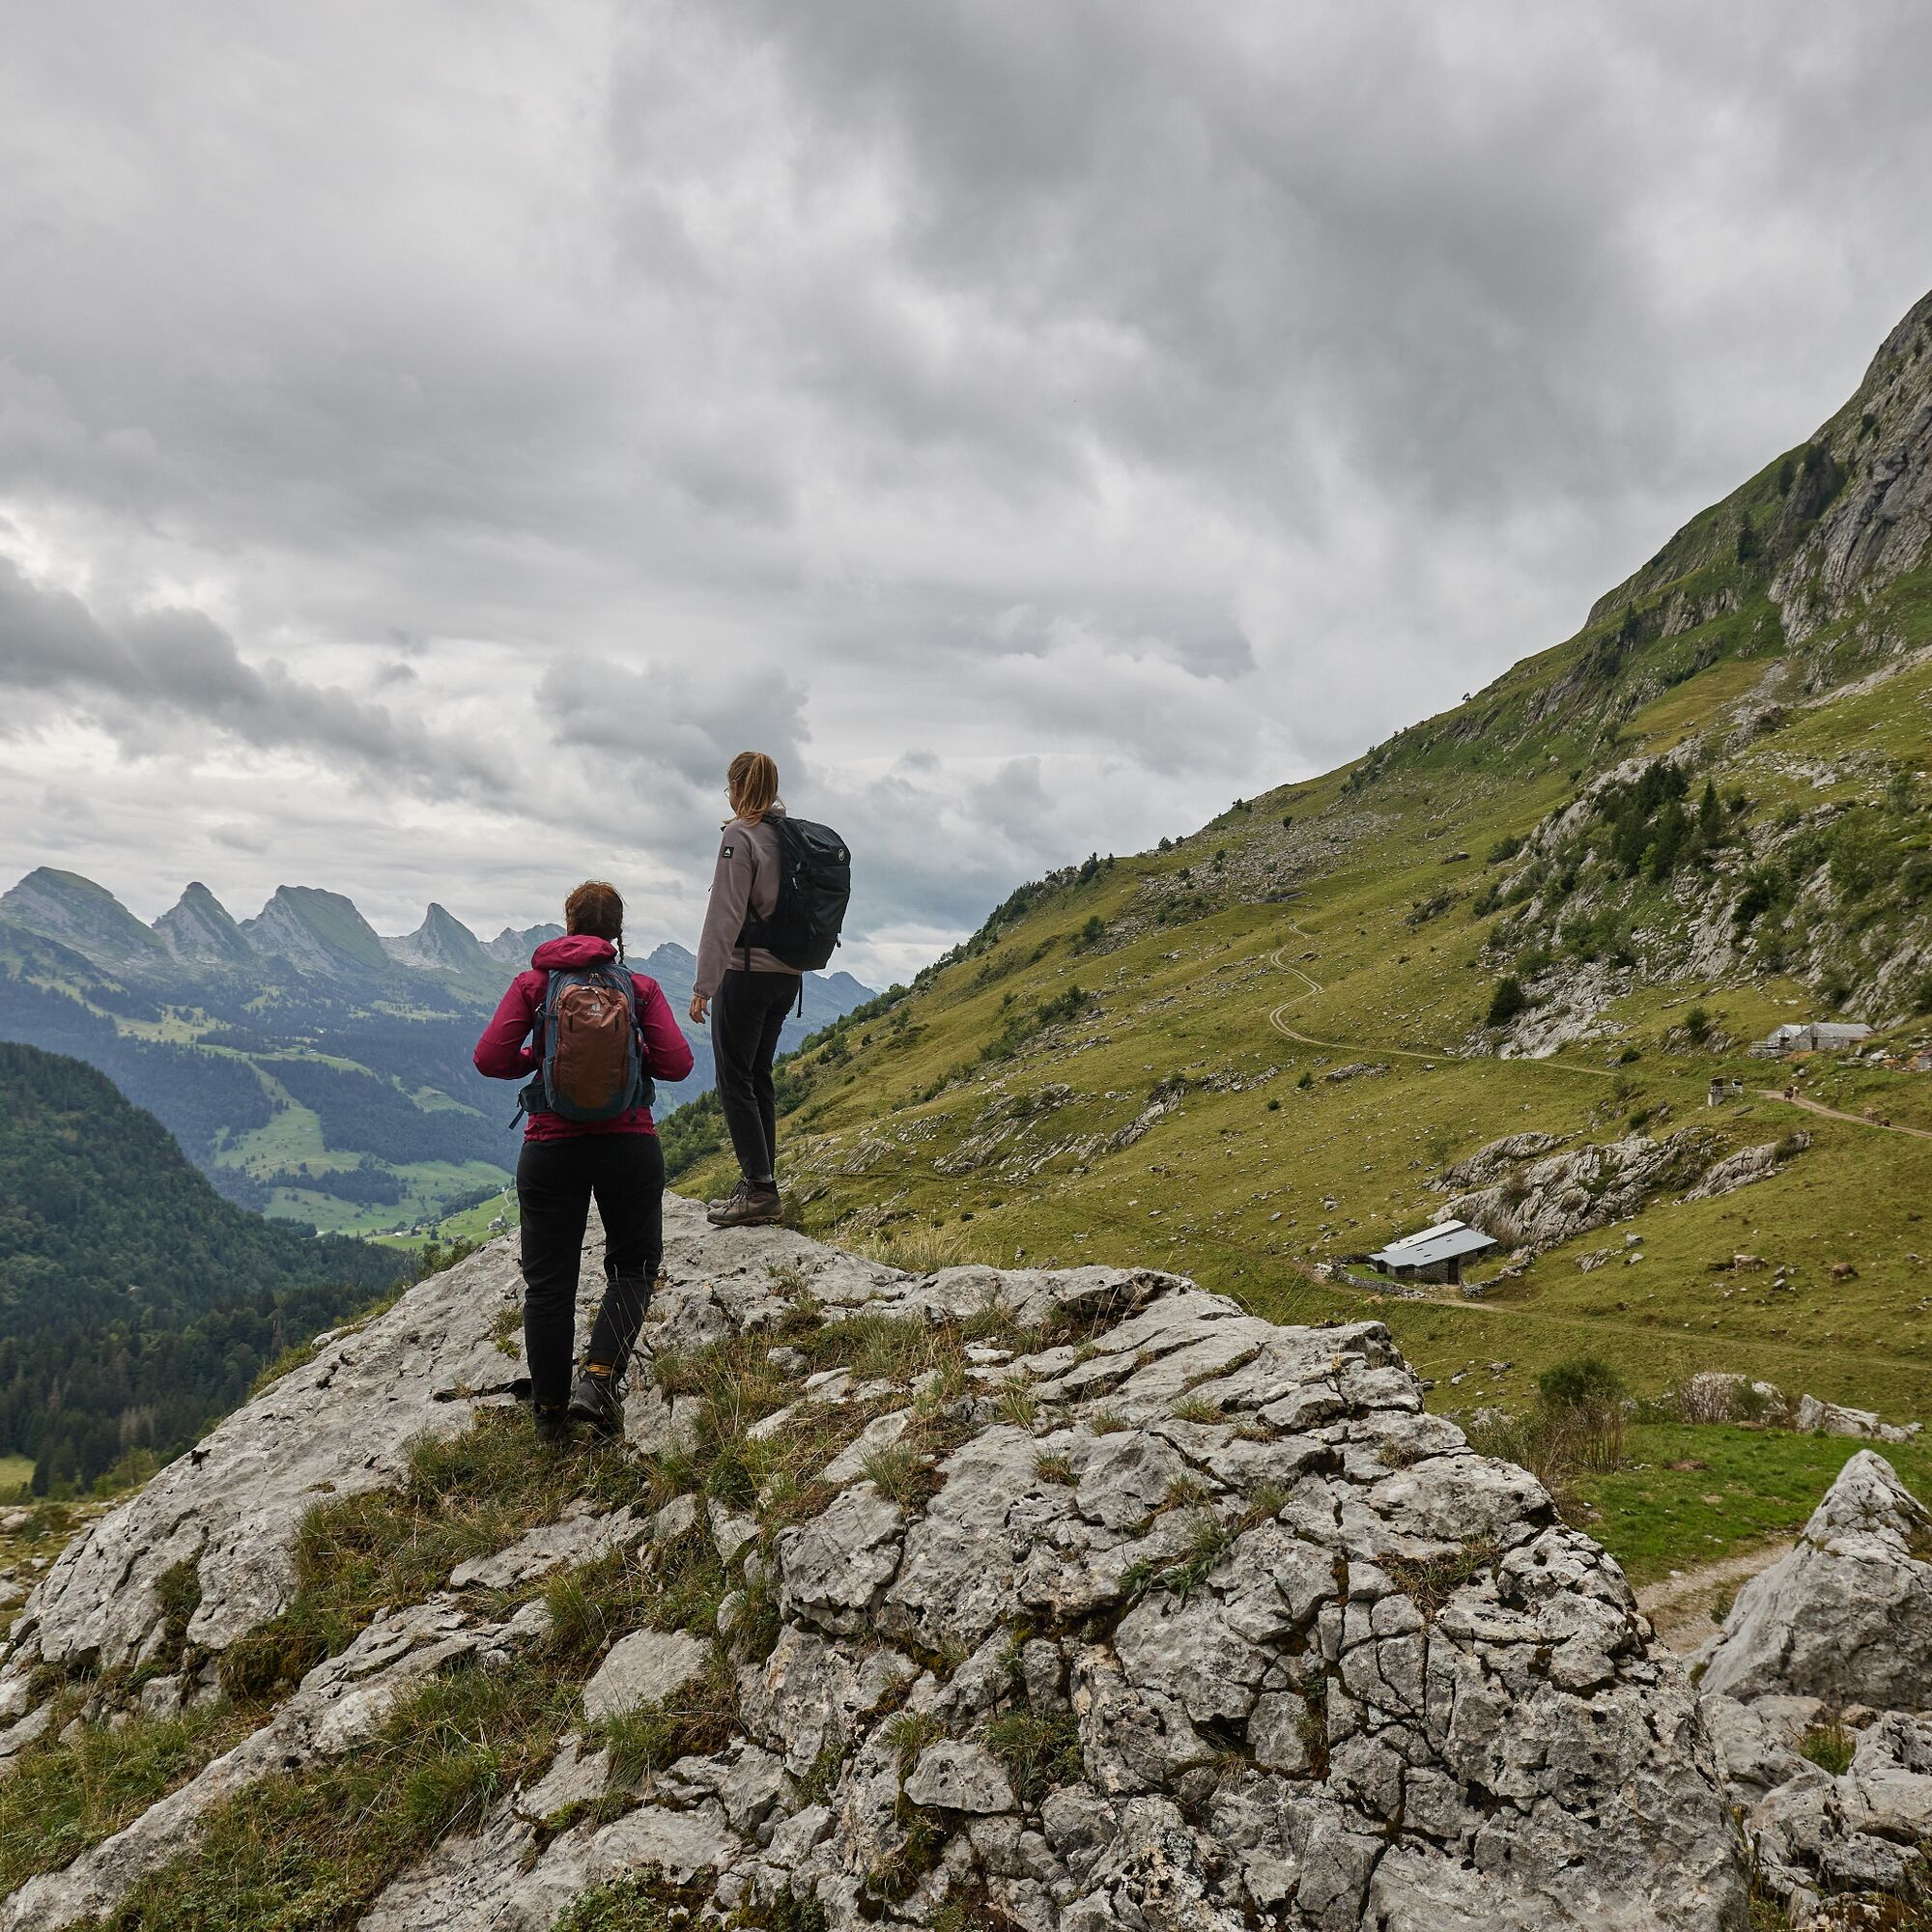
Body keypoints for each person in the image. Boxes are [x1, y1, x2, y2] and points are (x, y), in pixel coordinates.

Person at [473, 880, 694, 1443]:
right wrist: (632, 1052)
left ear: (568, 925)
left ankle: (549, 1412)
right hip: (629, 1146)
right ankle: (597, 1381)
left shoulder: (533, 985)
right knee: (632, 1268)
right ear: (617, 933)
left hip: (551, 1148)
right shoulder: (639, 988)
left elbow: (490, 1058)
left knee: (548, 1285)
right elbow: (679, 1064)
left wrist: (544, 1056)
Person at [691, 751, 801, 1227]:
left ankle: (758, 1189)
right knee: (758, 1077)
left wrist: (705, 983)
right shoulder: (789, 834)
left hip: (747, 973)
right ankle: (764, 1183)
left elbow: (725, 913)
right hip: (787, 977)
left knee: (734, 1080)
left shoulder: (740, 834)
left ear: (738, 787)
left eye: (729, 788)